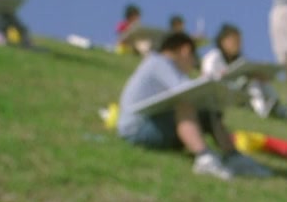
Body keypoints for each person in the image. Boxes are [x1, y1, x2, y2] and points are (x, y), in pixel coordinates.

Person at [115, 32, 272, 181]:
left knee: (207, 113)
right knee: (186, 104)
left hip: (148, 124)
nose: (193, 64)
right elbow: (187, 90)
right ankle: (205, 158)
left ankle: (233, 157)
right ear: (185, 50)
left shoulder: (158, 63)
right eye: (193, 58)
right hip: (137, 130)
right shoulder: (159, 62)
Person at [200, 23, 283, 119]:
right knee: (251, 82)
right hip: (220, 93)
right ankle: (262, 111)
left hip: (236, 91)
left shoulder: (240, 60)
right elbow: (207, 79)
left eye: (239, 41)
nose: (237, 45)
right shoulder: (213, 57)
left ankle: (278, 107)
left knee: (258, 79)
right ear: (223, 41)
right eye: (234, 41)